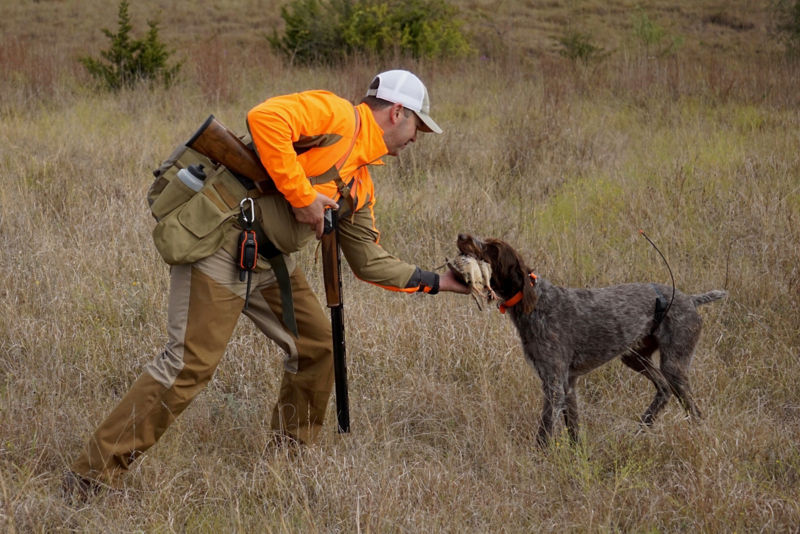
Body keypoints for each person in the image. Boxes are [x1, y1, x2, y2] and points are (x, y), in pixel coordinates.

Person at [65, 69, 469, 494]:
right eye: (417, 126)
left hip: (270, 262)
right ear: (397, 113)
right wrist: (302, 197)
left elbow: (369, 262)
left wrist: (441, 281)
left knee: (318, 347)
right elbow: (265, 117)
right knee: (189, 366)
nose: (416, 138)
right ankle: (91, 475)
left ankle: (288, 462)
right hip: (223, 244)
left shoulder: (361, 183)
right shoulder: (336, 116)